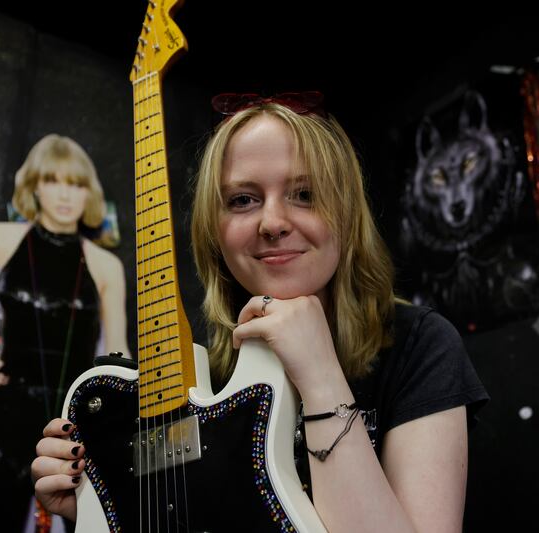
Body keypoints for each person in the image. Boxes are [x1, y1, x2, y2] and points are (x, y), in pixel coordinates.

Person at [32, 94, 488, 531]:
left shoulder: (420, 346)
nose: (272, 222)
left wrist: (321, 375)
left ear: (347, 214)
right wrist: (105, 500)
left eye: (305, 193)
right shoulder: (205, 381)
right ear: (215, 231)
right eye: (242, 200)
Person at [0, 134, 129, 531]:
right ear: (34, 186)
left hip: (75, 426)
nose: (65, 195)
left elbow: (118, 352)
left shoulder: (104, 266)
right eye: (53, 180)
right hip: (1, 423)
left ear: (89, 194)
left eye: (76, 184)